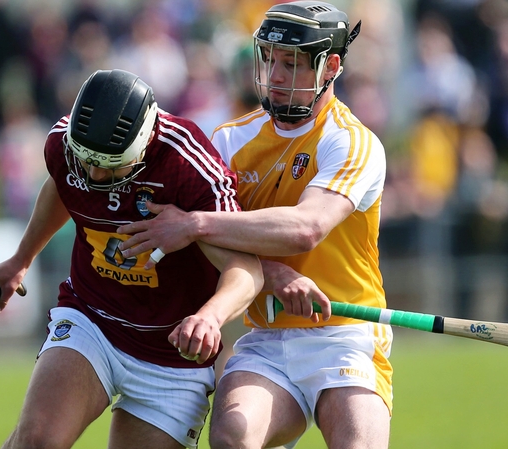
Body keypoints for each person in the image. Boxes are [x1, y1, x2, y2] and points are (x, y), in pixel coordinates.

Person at [117, 2, 393, 448]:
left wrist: (195, 223)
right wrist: (275, 273)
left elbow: (306, 227)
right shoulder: (229, 140)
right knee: (232, 437)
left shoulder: (352, 142)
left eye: (292, 63)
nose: (275, 74)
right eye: (268, 58)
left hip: (345, 335)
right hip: (266, 337)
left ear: (331, 67)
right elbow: (204, 246)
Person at [0, 69, 263, 449]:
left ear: (145, 141)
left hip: (171, 355)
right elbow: (62, 186)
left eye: (111, 165)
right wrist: (21, 258)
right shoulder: (66, 145)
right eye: (87, 163)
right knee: (37, 441)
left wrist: (209, 318)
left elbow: (246, 268)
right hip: (92, 321)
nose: (95, 176)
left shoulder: (189, 163)